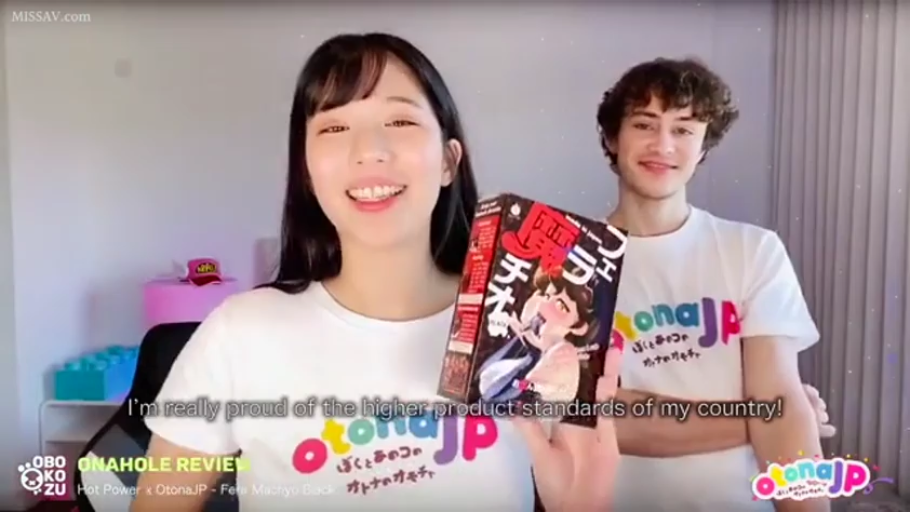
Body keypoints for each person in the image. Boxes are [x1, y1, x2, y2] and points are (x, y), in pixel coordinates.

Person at [131, 33, 621, 512]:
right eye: (334, 128)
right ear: (307, 170)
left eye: (400, 120)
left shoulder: (524, 336)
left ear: (449, 162)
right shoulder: (239, 334)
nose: (368, 149)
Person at [597, 58, 832, 511]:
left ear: (704, 146)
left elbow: (779, 397)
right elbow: (601, 417)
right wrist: (761, 418)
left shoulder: (753, 250)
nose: (663, 145)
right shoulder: (567, 262)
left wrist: (783, 415)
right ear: (612, 138)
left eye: (684, 129)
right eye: (644, 124)